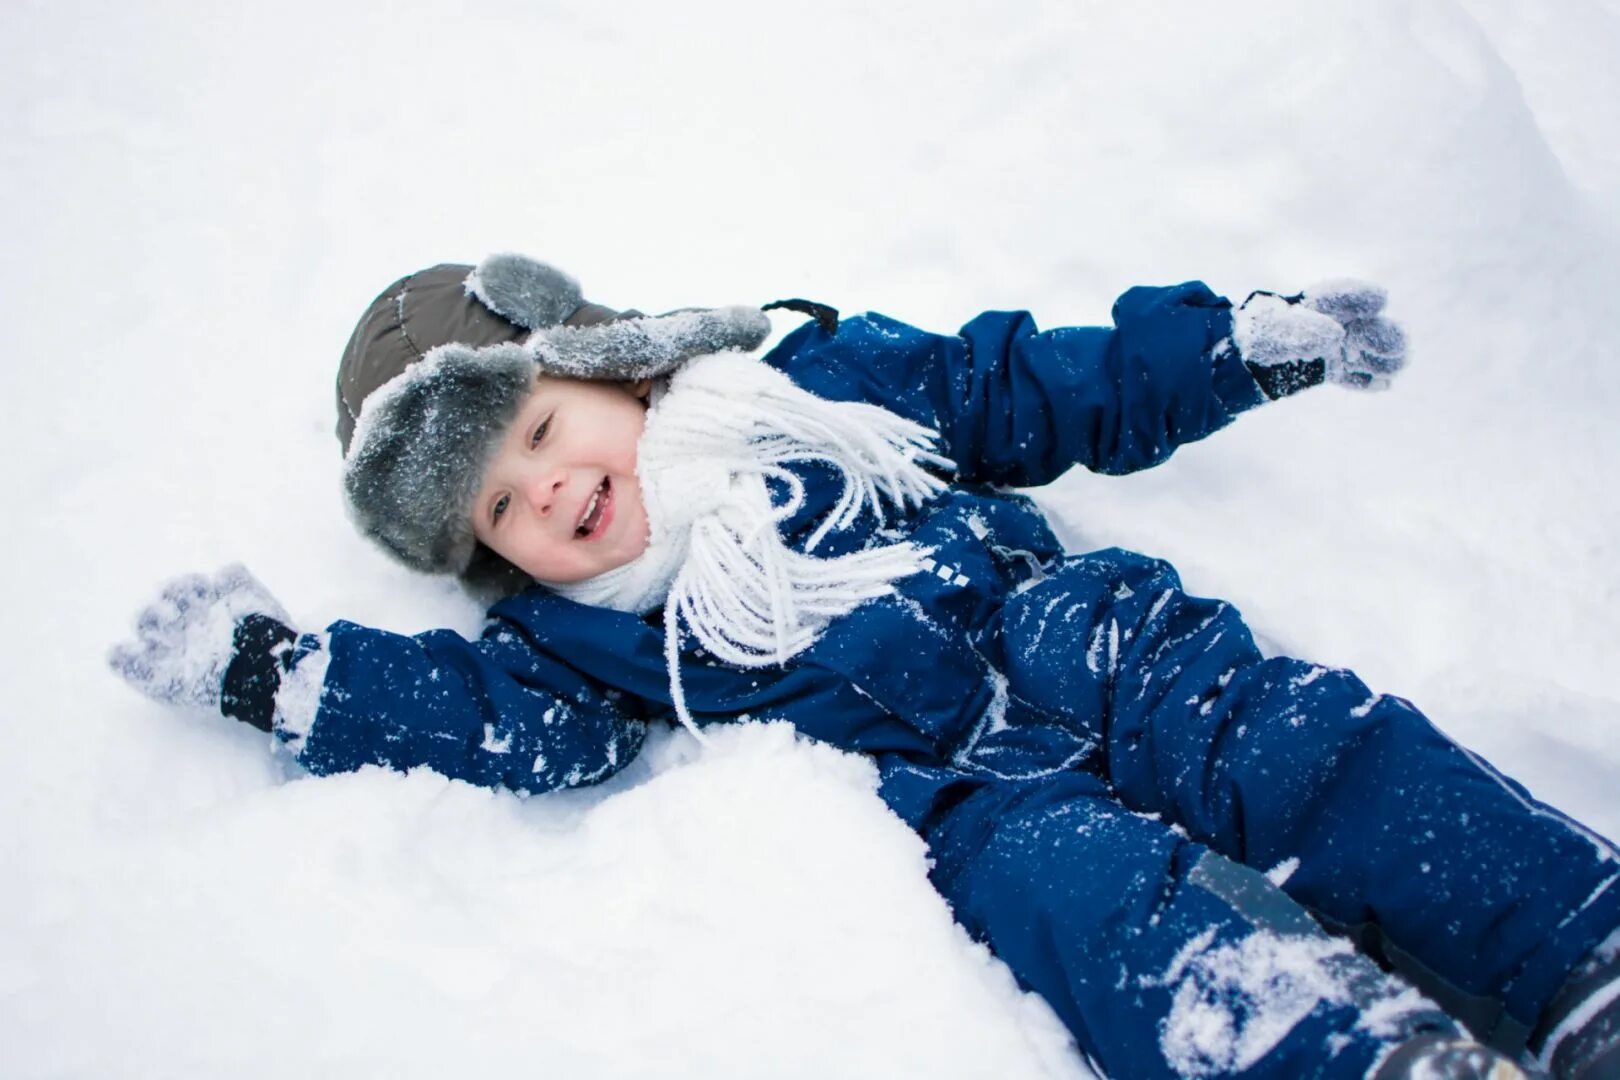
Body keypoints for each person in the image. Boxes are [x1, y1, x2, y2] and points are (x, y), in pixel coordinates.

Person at [110, 254, 1620, 1079]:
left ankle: (1576, 949)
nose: (549, 493)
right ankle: (1337, 1055)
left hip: (1097, 645)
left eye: (541, 434)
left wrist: (1229, 347)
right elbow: (507, 729)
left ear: (606, 366)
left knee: (1305, 749)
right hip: (963, 793)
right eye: (498, 508)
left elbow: (1023, 385)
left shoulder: (809, 386)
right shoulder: (578, 633)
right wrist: (285, 675)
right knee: (1076, 905)